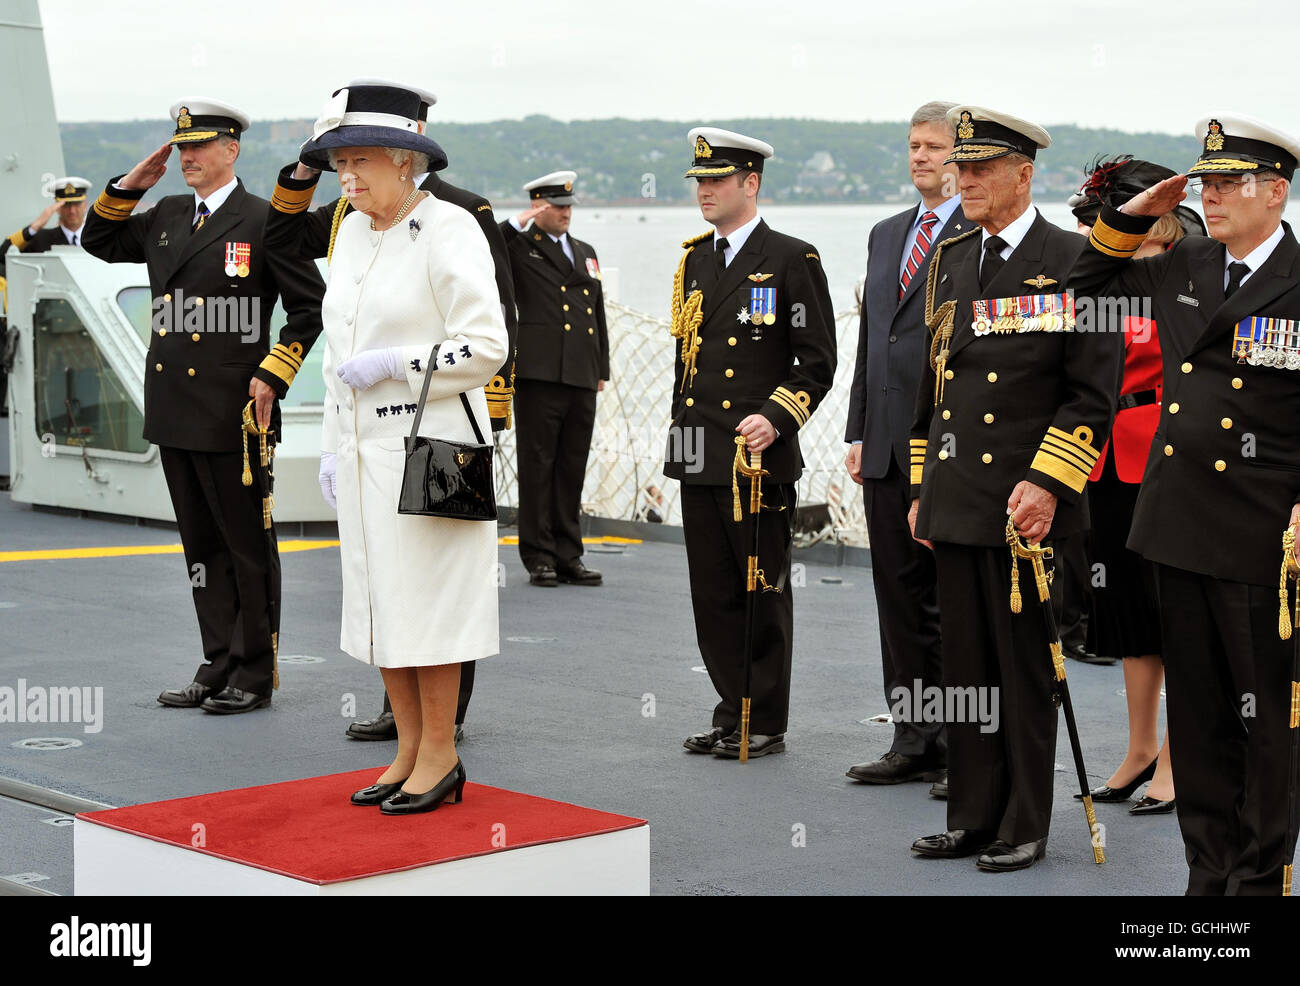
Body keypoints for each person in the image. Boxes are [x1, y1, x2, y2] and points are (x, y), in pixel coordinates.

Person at [1069, 114, 1300, 895]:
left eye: (1231, 181)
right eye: (1206, 183)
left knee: (1267, 722)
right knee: (1199, 721)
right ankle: (1208, 873)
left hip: (1264, 536)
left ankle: (1259, 882)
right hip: (1176, 523)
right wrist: (1135, 214)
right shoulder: (1187, 262)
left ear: (1277, 191)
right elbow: (1084, 284)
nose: (1213, 195)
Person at [265, 79, 516, 744]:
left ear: (406, 160)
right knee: (381, 608)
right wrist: (328, 444)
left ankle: (438, 757)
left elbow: (488, 345)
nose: (345, 177)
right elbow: (337, 354)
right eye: (339, 163)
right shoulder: (349, 236)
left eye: (360, 161)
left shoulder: (449, 229)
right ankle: (407, 752)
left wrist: (397, 364)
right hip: (363, 451)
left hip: (435, 449)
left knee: (431, 614)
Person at [907, 106, 1122, 871]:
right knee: (963, 670)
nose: (961, 179)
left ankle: (1024, 821)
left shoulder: (1081, 259)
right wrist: (924, 483)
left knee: (1024, 669)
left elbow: (1092, 394)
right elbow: (939, 383)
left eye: (978, 169)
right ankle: (972, 814)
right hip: (961, 498)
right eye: (957, 167)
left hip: (1030, 506)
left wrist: (1047, 484)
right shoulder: (953, 254)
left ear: (1023, 174)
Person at [81, 100, 326, 714]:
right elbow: (99, 239)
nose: (187, 157)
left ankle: (253, 669)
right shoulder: (164, 215)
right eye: (180, 148)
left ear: (231, 150)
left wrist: (275, 372)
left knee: (244, 543)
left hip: (233, 410)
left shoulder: (265, 221)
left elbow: (308, 307)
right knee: (200, 547)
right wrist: (130, 185)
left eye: (199, 147)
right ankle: (216, 661)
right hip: (173, 406)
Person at [670, 127, 837, 759]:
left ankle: (763, 718)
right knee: (710, 591)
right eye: (699, 183)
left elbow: (817, 361)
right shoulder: (694, 260)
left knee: (760, 587)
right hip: (696, 448)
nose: (705, 192)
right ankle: (728, 707)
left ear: (751, 183)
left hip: (755, 455)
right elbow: (689, 361)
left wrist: (777, 416)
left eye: (716, 181)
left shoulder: (793, 258)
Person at [1069, 156, 1203, 818]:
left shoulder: (1190, 265)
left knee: (1175, 607)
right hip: (1106, 455)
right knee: (1125, 608)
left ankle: (1182, 756)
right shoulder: (1111, 270)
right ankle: (1140, 745)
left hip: (1165, 450)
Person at [844, 100, 968, 793]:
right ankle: (913, 736)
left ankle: (960, 744)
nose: (921, 157)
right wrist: (858, 430)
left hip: (948, 449)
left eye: (934, 147)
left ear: (961, 157)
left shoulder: (973, 236)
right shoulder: (886, 233)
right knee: (896, 598)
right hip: (887, 446)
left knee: (949, 602)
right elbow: (874, 339)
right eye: (914, 146)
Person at [502, 171, 608, 587]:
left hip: (581, 374)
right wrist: (517, 223)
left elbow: (597, 312)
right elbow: (486, 249)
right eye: (557, 207)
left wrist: (602, 368)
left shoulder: (585, 251)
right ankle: (539, 556)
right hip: (539, 374)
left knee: (571, 467)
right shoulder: (519, 248)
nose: (565, 213)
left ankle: (569, 554)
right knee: (538, 465)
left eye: (568, 206)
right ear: (539, 207)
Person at [3, 178, 92, 260]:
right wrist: (36, 225)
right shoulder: (42, 239)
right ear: (57, 208)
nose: (72, 211)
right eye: (66, 205)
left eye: (77, 204)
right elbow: (4, 256)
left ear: (85, 205)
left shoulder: (96, 236)